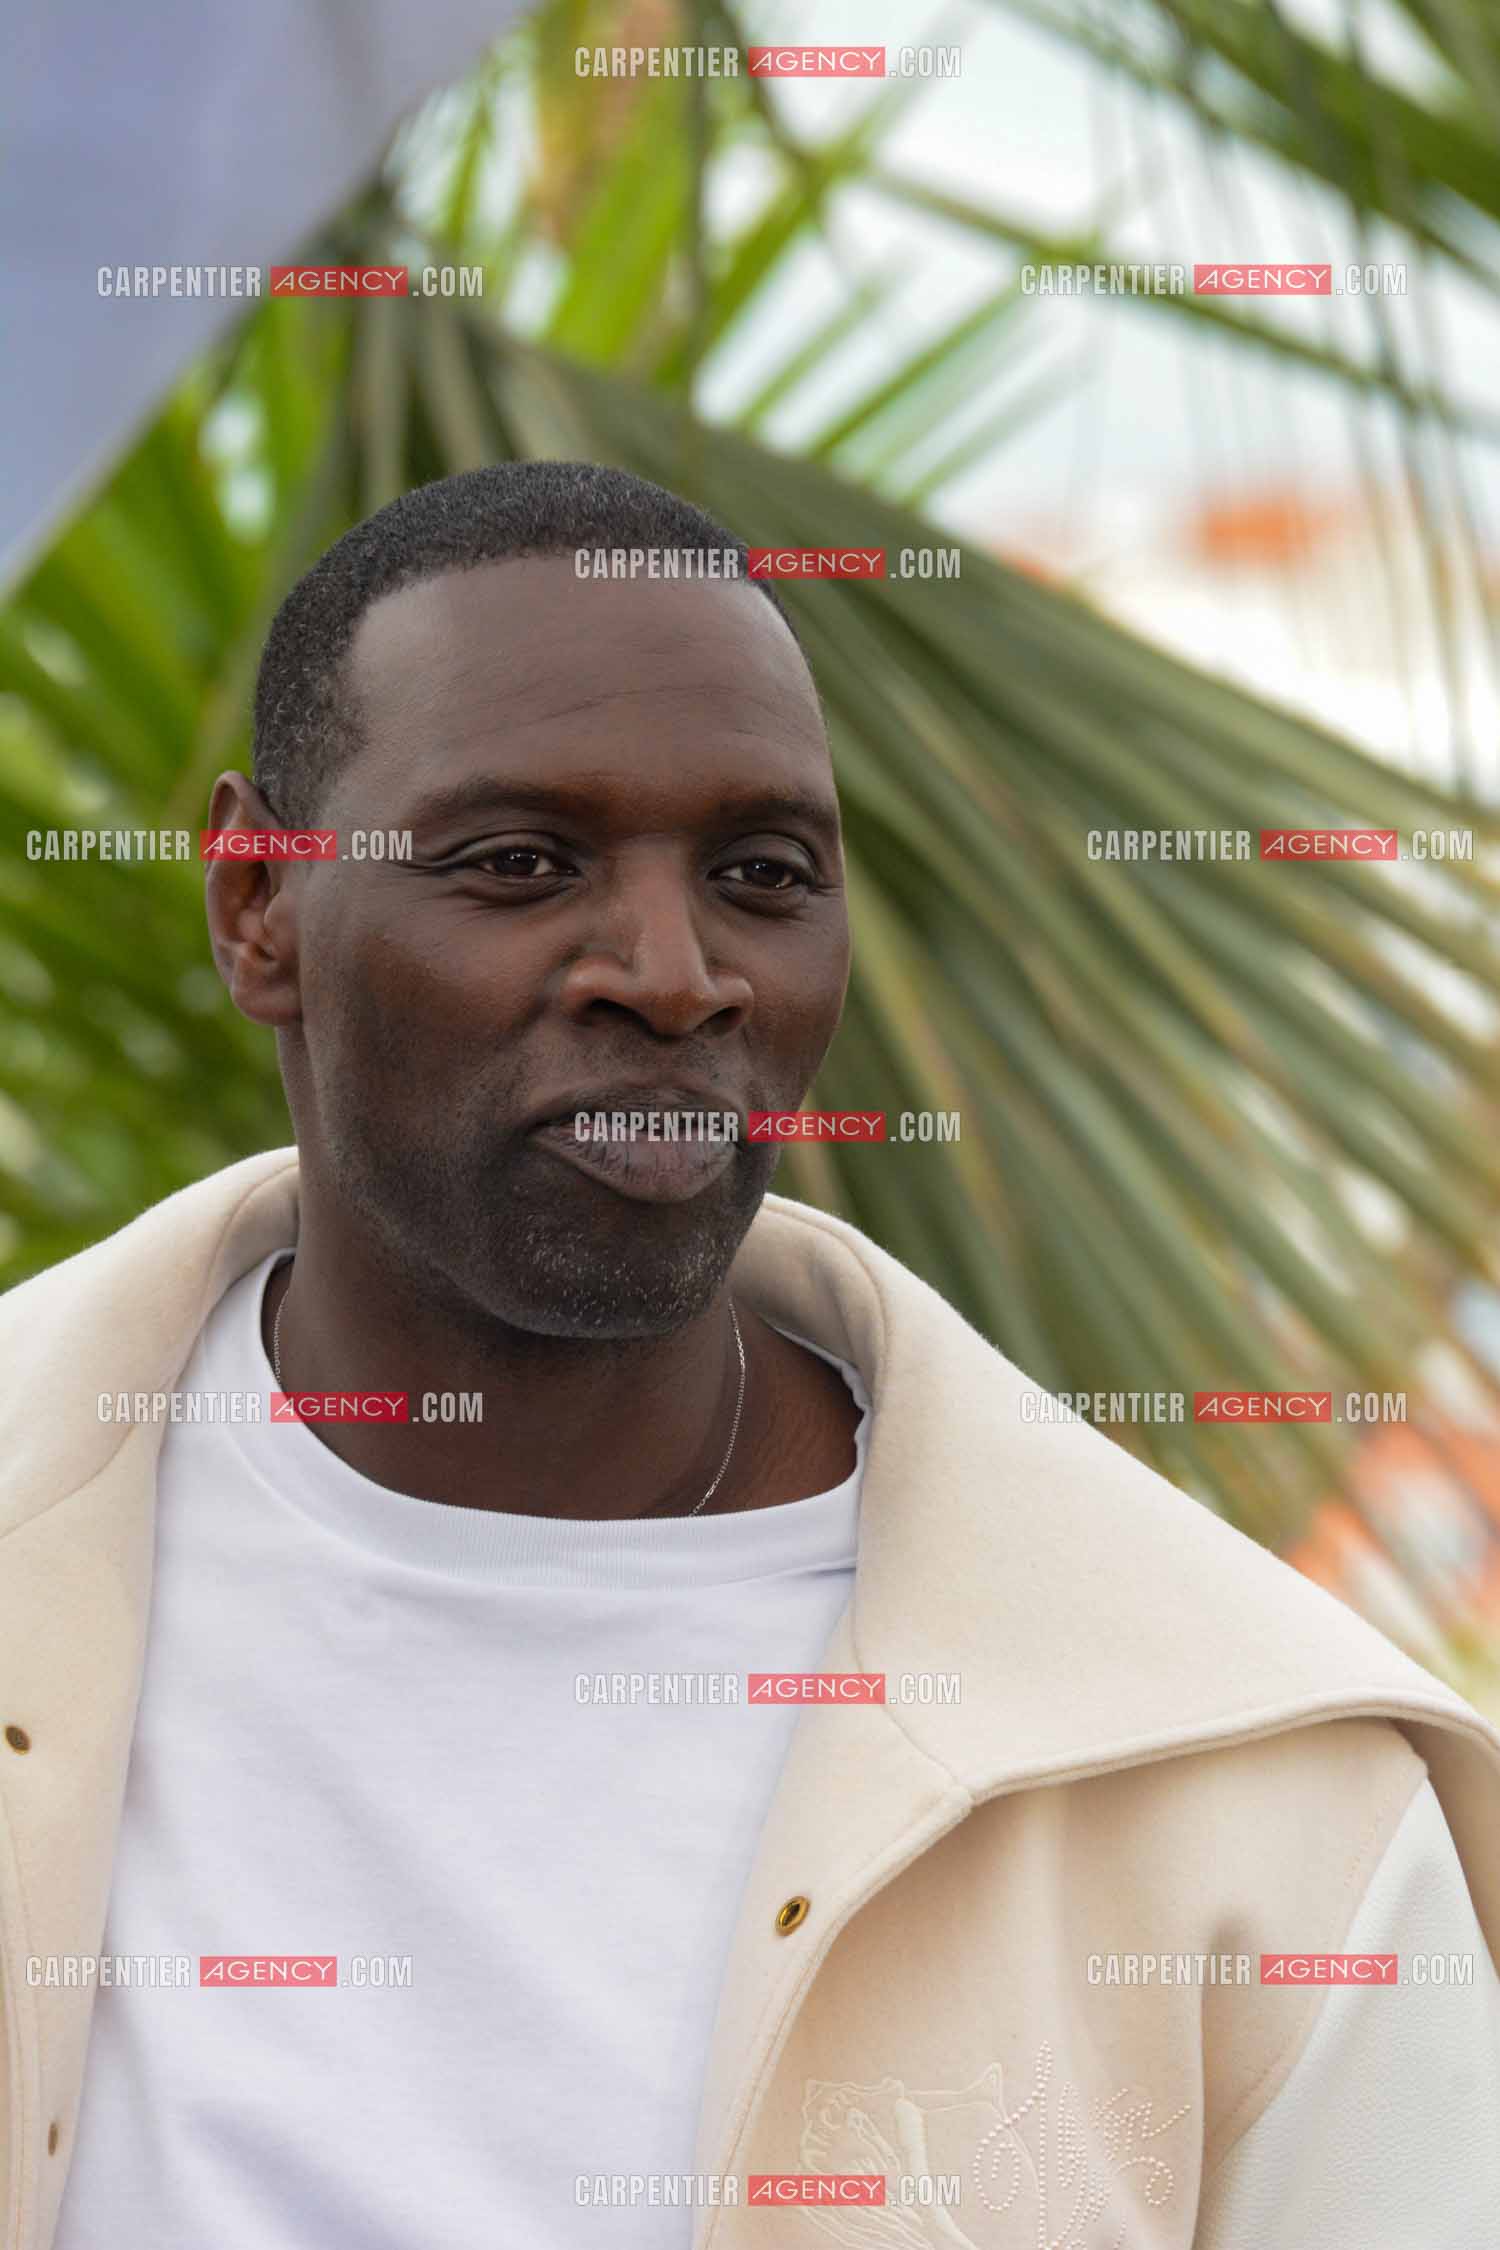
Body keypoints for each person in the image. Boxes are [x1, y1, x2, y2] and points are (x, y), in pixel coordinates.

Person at [3, 460, 1496, 2250]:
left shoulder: (1239, 1781)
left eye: (762, 873)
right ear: (260, 905)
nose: (673, 969)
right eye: (519, 861)